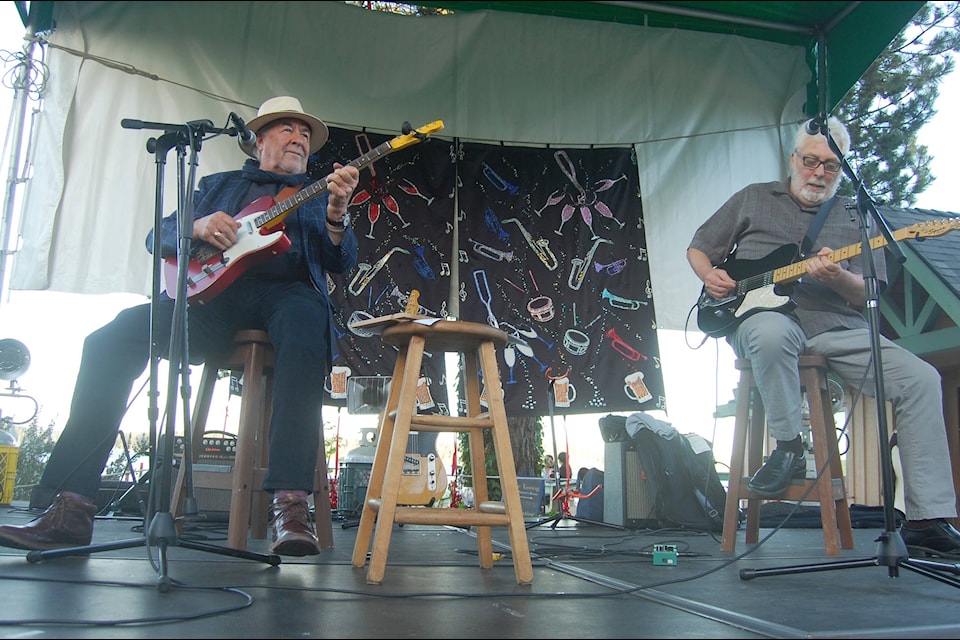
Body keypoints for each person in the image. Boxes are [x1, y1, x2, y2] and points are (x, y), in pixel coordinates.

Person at [0, 96, 361, 557]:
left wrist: (336, 215)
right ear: (259, 140)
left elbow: (340, 261)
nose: (299, 138)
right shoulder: (217, 186)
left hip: (285, 295)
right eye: (288, 128)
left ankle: (290, 506)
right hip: (211, 300)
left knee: (308, 317)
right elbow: (159, 235)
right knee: (109, 340)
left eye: (305, 133)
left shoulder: (315, 195)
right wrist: (197, 226)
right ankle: (70, 507)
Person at [687, 116, 960, 558]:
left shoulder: (856, 214)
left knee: (922, 379)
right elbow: (700, 246)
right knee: (772, 333)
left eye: (831, 165)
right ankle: (789, 449)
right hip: (760, 320)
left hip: (834, 326)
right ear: (794, 159)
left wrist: (836, 277)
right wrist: (710, 275)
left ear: (842, 169)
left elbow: (868, 291)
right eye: (811, 161)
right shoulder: (755, 197)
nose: (818, 172)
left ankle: (928, 518)